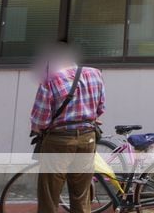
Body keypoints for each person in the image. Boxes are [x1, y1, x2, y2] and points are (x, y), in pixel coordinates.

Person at [31, 43, 105, 213]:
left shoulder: (50, 80)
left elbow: (40, 120)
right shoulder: (95, 74)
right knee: (81, 195)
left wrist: (37, 129)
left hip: (58, 141)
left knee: (50, 196)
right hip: (88, 139)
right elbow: (100, 108)